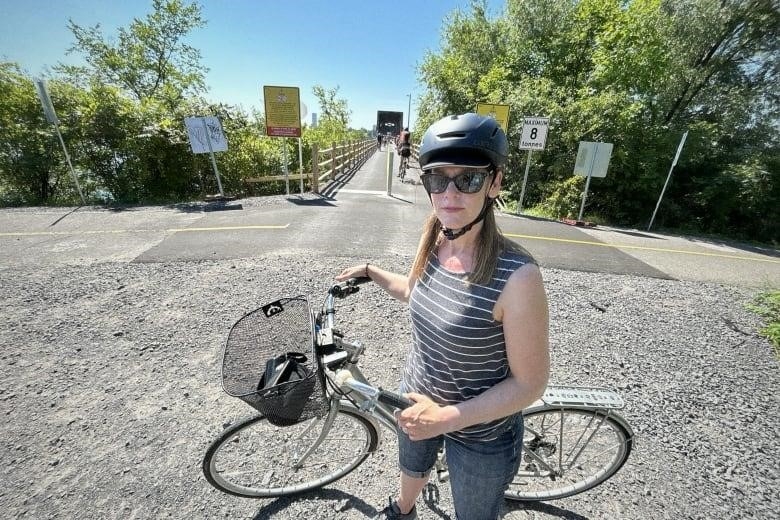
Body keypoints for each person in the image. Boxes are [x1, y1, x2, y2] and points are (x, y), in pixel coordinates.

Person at [336, 113, 550, 520]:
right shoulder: (434, 240)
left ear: (495, 183)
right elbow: (416, 292)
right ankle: (403, 510)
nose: (449, 192)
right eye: (437, 178)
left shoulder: (517, 276)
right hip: (415, 400)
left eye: (467, 178)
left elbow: (530, 383)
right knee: (411, 467)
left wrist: (446, 419)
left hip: (480, 433)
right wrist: (372, 271)